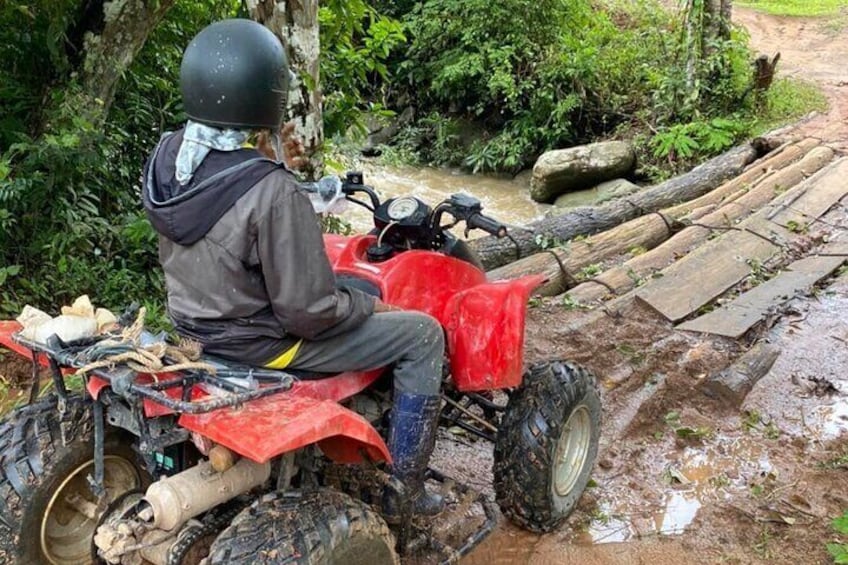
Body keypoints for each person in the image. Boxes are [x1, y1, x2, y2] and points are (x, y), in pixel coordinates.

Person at [141, 18, 444, 517]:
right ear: (266, 96)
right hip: (263, 344)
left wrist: (263, 166)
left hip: (196, 328)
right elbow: (307, 313)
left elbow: (221, 196)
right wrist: (366, 304)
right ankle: (403, 490)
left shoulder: (167, 157)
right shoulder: (273, 191)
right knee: (422, 333)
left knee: (344, 287)